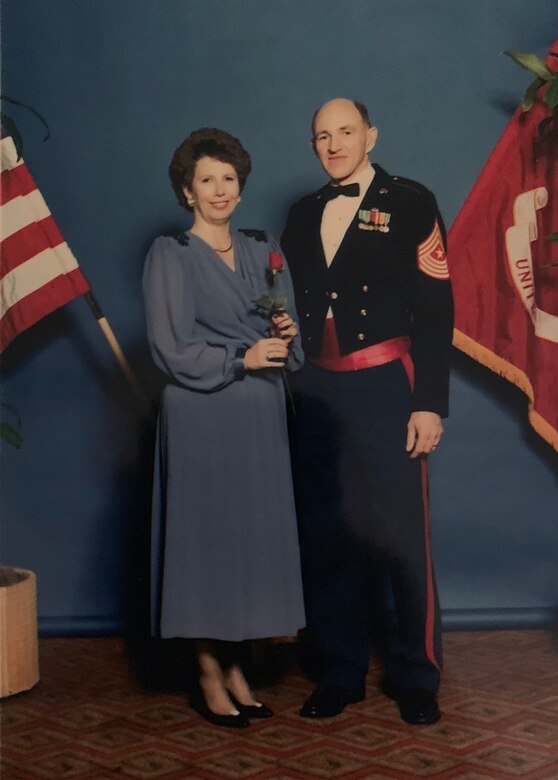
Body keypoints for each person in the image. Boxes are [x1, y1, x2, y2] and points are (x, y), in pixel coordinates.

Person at [281, 98, 454, 724]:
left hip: (387, 382)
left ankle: (415, 674)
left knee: (402, 534)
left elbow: (437, 311)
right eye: (322, 135)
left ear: (370, 135)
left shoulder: (411, 201)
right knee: (328, 533)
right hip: (318, 387)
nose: (333, 145)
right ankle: (339, 670)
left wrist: (429, 402)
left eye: (345, 132)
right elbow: (290, 307)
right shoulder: (301, 215)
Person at [143, 127, 305, 728]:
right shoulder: (171, 254)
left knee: (249, 543)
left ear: (241, 187)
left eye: (229, 179)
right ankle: (210, 671)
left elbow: (292, 335)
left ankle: (239, 665)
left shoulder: (264, 249)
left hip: (259, 415)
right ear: (187, 191)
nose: (219, 190)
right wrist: (242, 359)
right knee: (206, 543)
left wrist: (287, 339)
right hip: (202, 414)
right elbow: (169, 348)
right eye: (206, 179)